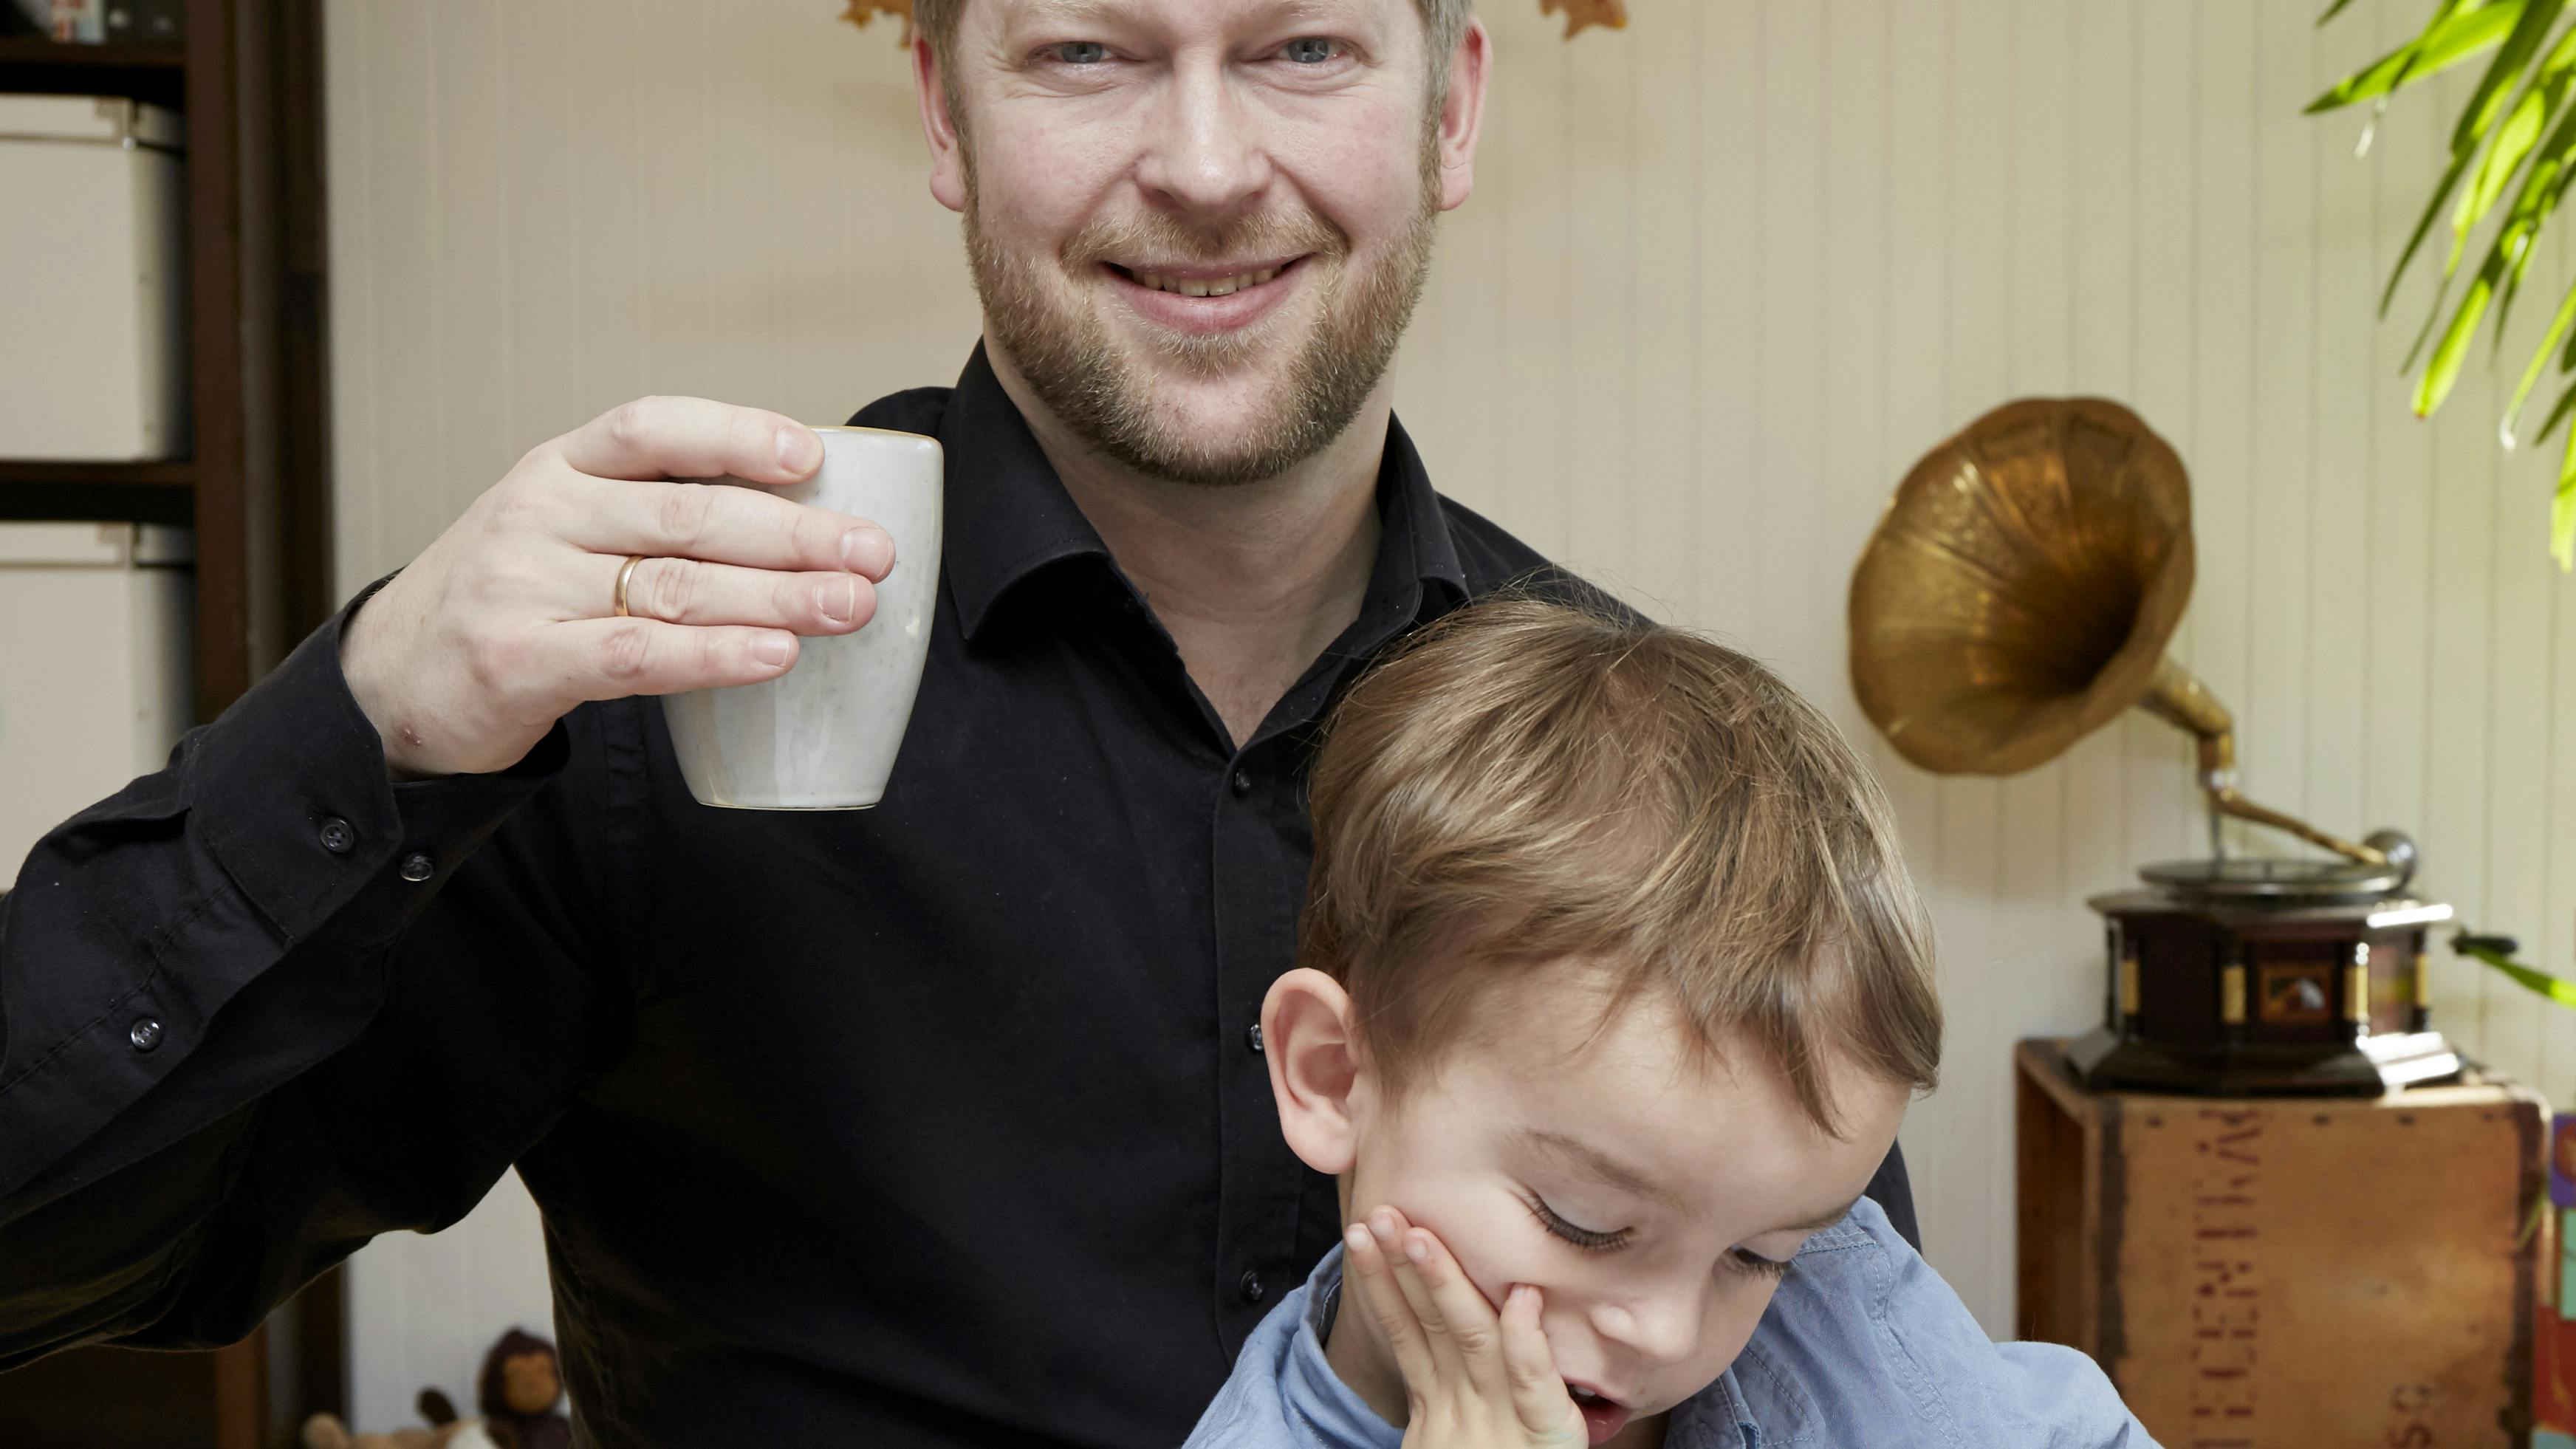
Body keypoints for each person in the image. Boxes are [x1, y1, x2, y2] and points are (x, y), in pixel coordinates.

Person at [0, 1, 1915, 1445]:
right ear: (943, 104)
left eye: (1304, 46)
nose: (1206, 162)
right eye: (1088, 49)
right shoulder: (649, 694)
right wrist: (372, 724)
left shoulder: (1660, 772)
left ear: (1453, 106)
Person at [1188, 598, 2151, 1449]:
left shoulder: (1836, 1289)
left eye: (1754, 1257)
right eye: (1588, 1224)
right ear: (1332, 1076)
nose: (1668, 1333)